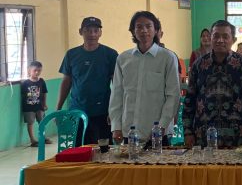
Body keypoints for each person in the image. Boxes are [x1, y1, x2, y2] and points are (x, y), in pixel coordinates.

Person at [183, 20, 242, 148]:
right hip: (204, 137)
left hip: (238, 136)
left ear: (233, 40)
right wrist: (188, 131)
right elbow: (189, 100)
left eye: (225, 36)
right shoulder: (198, 65)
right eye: (216, 36)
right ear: (210, 38)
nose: (220, 40)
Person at [109, 11, 181, 144]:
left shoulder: (167, 58)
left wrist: (163, 125)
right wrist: (116, 126)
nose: (144, 31)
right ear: (133, 31)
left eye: (148, 26)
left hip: (158, 131)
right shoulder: (123, 59)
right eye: (139, 27)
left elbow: (173, 95)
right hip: (129, 131)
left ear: (156, 30)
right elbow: (117, 94)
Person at [57, 17, 119, 145]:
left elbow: (117, 85)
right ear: (81, 32)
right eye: (88, 30)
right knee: (79, 148)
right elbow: (66, 82)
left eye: (96, 30)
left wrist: (114, 111)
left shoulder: (110, 54)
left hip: (102, 112)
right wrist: (58, 108)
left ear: (100, 33)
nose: (92, 34)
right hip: (77, 111)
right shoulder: (71, 54)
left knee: (104, 149)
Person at [21, 61, 51, 147]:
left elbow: (44, 93)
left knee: (42, 122)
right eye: (35, 70)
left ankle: (43, 137)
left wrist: (44, 104)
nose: (37, 72)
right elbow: (23, 96)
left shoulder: (41, 81)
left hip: (40, 106)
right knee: (30, 123)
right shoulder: (25, 83)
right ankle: (32, 140)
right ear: (29, 70)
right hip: (28, 108)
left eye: (39, 70)